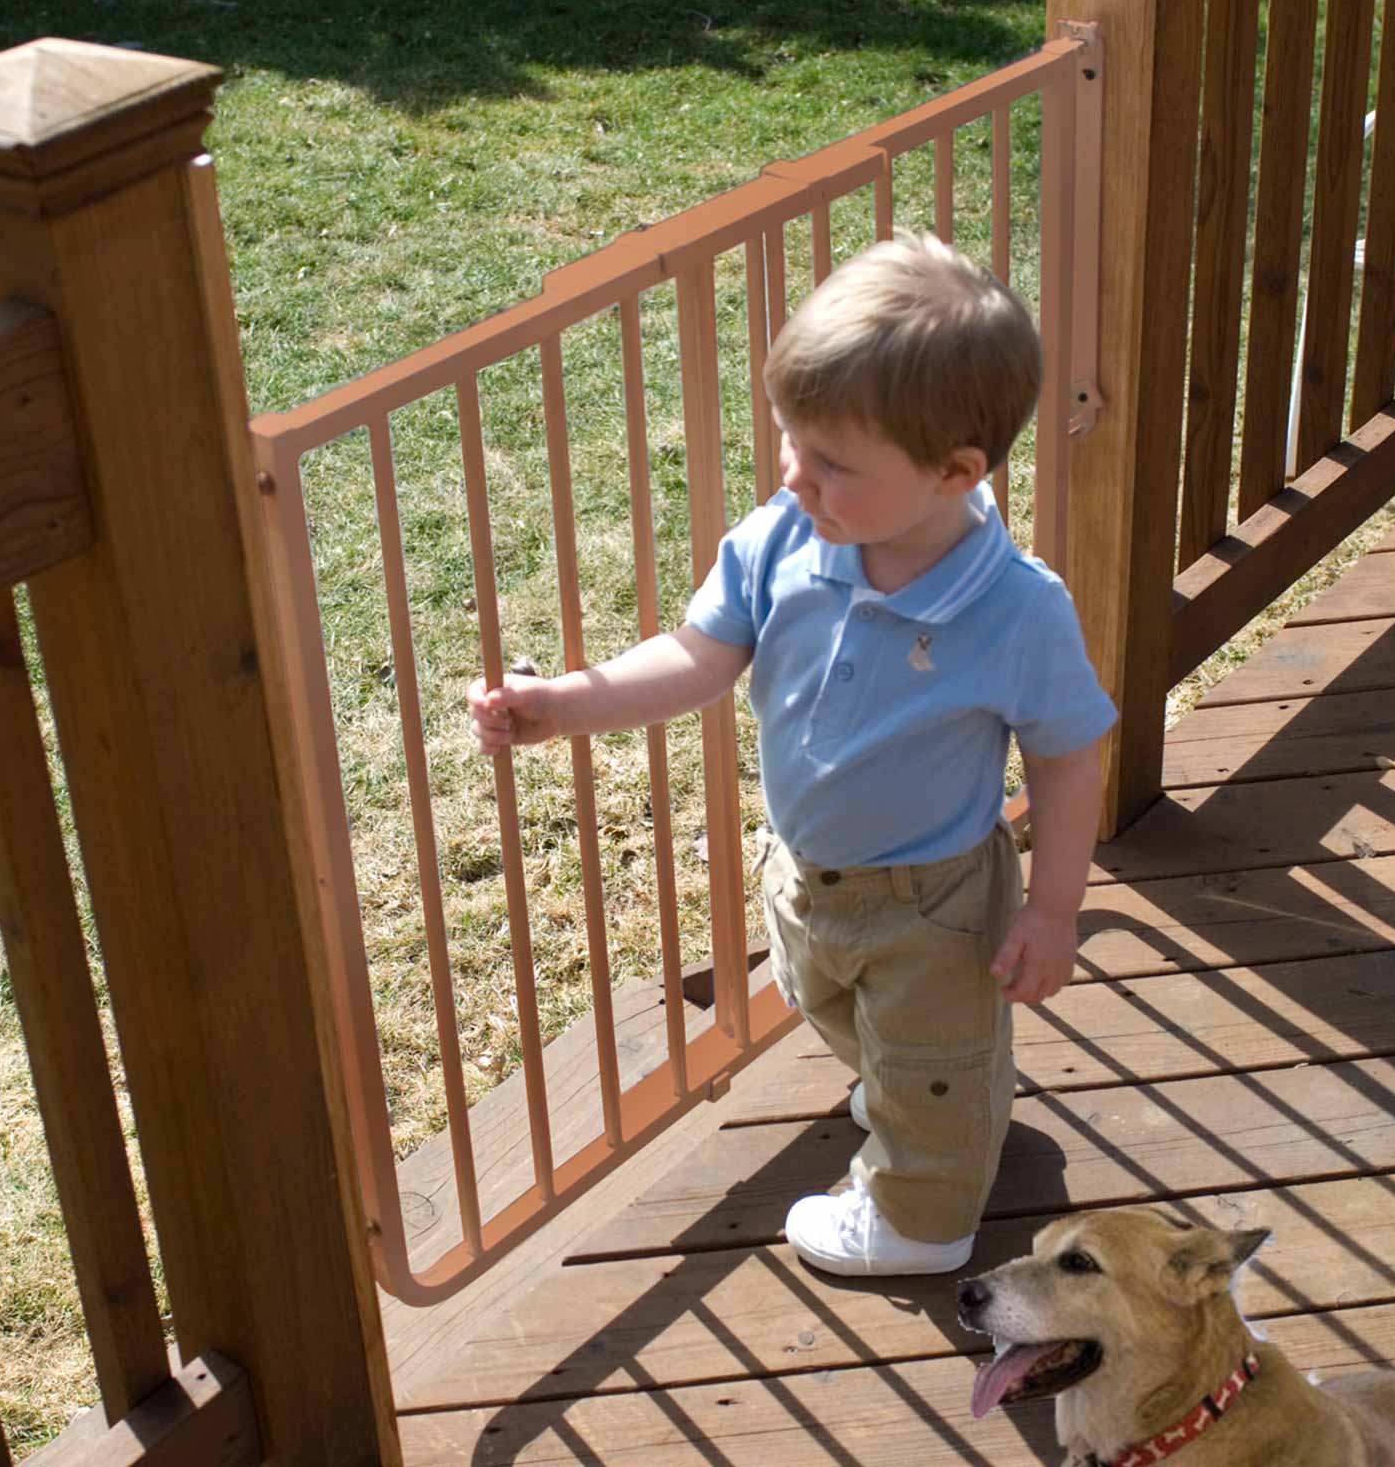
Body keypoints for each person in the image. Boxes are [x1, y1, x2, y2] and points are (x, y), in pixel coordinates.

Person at [466, 231, 1116, 1276]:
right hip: (808, 877)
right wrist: (563, 706)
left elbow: (1069, 757)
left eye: (831, 463)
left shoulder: (1015, 611)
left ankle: (922, 1223)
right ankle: (934, 1101)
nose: (794, 475)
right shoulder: (785, 537)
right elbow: (697, 657)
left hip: (935, 902)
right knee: (850, 1020)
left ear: (957, 471)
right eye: (791, 443)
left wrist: (1052, 906)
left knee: (931, 1052)